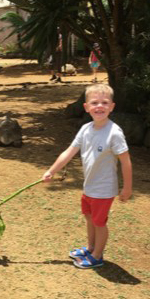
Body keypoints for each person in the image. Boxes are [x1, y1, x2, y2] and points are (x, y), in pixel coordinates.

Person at [42, 83, 132, 269]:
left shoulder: (114, 133)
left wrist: (127, 187)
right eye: (94, 102)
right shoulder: (86, 129)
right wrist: (52, 170)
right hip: (89, 186)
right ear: (86, 107)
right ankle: (91, 248)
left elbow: (125, 161)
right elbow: (69, 152)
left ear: (112, 106)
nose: (99, 106)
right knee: (89, 218)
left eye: (104, 102)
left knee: (99, 222)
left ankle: (97, 256)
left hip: (104, 189)